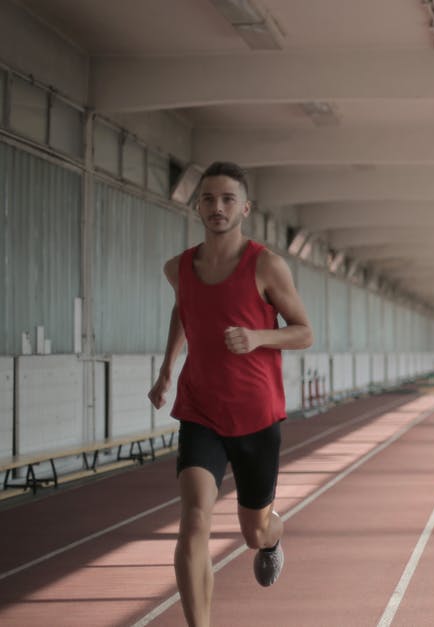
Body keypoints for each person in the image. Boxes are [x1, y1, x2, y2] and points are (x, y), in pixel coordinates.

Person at [148, 161, 313, 627]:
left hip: (256, 416)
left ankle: (272, 538)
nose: (216, 207)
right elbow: (184, 311)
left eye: (226, 199)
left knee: (253, 531)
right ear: (197, 205)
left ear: (245, 207)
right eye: (208, 198)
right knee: (195, 518)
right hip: (200, 410)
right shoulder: (178, 268)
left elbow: (304, 332)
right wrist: (166, 371)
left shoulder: (265, 265)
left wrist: (259, 338)